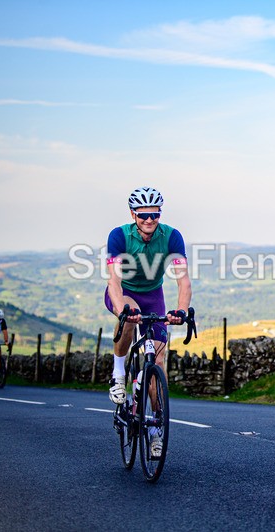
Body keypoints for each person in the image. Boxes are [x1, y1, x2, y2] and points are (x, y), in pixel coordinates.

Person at [105, 186, 191, 457]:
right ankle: (119, 375)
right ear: (133, 214)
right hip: (125, 292)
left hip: (154, 295)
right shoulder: (119, 236)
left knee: (158, 360)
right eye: (143, 216)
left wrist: (181, 310)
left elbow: (183, 280)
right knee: (129, 316)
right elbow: (114, 280)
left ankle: (155, 429)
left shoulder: (172, 237)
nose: (149, 220)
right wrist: (122, 311)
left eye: (154, 215)